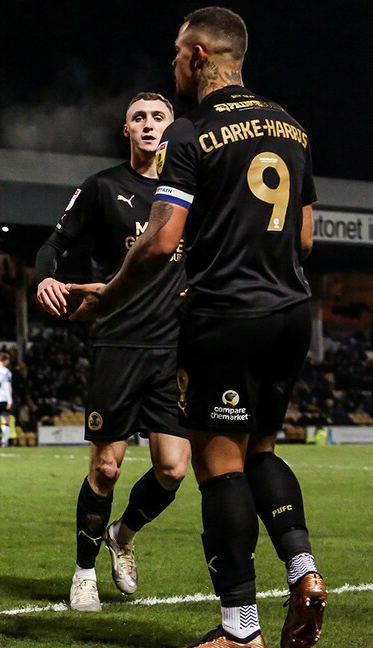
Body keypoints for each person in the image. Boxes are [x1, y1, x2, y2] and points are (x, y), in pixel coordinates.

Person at [72, 8, 325, 647]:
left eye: (178, 52)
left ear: (201, 54)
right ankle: (304, 568)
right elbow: (304, 236)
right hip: (291, 313)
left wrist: (108, 296)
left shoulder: (192, 133)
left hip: (225, 316)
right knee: (262, 449)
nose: (174, 63)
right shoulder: (292, 128)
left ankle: (240, 630)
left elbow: (161, 242)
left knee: (219, 465)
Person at [36, 92, 190, 613]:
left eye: (158, 117)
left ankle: (122, 534)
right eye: (138, 118)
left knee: (173, 470)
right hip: (117, 342)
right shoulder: (102, 186)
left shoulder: (191, 191)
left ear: (171, 129)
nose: (148, 124)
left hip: (174, 347)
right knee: (105, 469)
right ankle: (83, 574)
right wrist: (46, 276)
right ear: (126, 130)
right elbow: (53, 243)